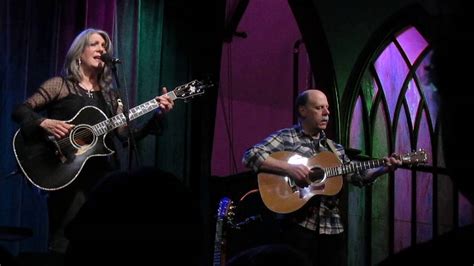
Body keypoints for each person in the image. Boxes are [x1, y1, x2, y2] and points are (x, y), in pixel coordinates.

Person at [11, 28, 174, 254]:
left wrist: (158, 113)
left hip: (102, 177)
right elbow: (21, 110)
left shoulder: (111, 96)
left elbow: (125, 135)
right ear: (79, 52)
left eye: (104, 46)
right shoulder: (61, 85)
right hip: (66, 173)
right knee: (64, 242)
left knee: (103, 241)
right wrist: (43, 123)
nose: (102, 49)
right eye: (95, 44)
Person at [242, 89, 402, 266]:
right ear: (302, 111)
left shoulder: (335, 149)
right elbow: (251, 155)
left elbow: (358, 177)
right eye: (319, 108)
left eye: (327, 108)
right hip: (297, 227)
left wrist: (383, 168)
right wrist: (289, 169)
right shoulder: (287, 137)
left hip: (332, 229)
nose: (327, 112)